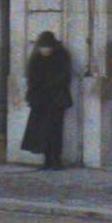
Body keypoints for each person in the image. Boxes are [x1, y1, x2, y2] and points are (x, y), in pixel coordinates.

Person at [21, 30, 73, 170]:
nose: (45, 50)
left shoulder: (61, 56)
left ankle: (56, 159)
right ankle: (47, 159)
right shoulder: (36, 58)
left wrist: (49, 85)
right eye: (42, 47)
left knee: (54, 130)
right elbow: (32, 78)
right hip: (40, 100)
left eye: (47, 47)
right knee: (41, 131)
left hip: (56, 100)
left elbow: (64, 77)